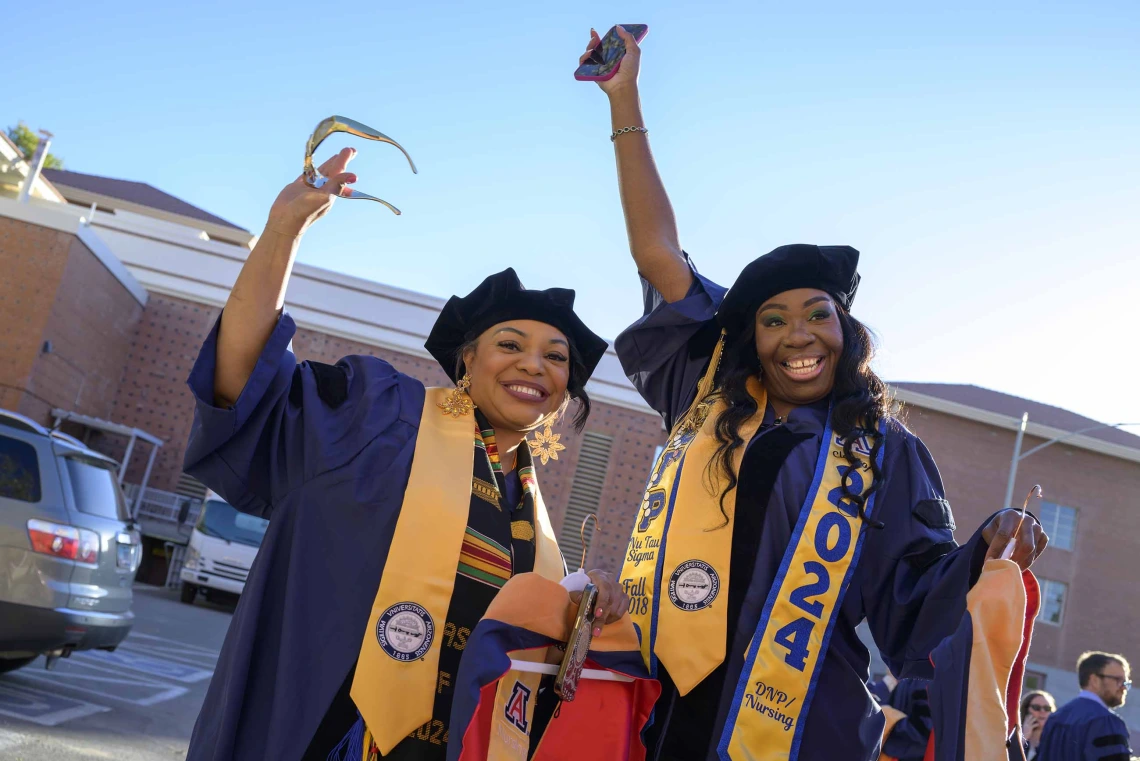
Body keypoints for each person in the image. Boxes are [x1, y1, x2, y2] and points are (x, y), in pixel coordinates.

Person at [580, 26, 1048, 761]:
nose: (798, 335)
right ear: (751, 339)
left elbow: (915, 599)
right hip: (663, 710)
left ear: (845, 325)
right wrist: (624, 97)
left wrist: (988, 545)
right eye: (773, 320)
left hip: (802, 724)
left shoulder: (885, 451)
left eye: (816, 315)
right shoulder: (704, 399)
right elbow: (656, 253)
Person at [181, 148, 629, 761]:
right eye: (511, 343)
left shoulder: (535, 522)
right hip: (324, 733)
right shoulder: (380, 412)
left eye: (556, 357)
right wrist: (282, 231)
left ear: (562, 397)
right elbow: (242, 384)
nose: (534, 364)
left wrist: (587, 605)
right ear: (466, 360)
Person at [1038, 652, 1133, 761]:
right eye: (1119, 680)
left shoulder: (1055, 718)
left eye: (1125, 682)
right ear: (1094, 680)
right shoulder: (1106, 721)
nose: (1123, 687)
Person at [1021, 690, 1057, 760]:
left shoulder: (1056, 740)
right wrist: (1023, 737)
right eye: (1036, 707)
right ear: (1026, 710)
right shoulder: (1013, 736)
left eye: (1047, 708)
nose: (1042, 711)